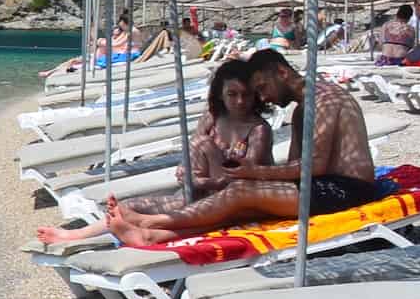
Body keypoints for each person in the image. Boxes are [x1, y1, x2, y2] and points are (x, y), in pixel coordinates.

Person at [91, 49, 382, 247]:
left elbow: (314, 166)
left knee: (240, 193)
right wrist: (252, 176)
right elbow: (293, 171)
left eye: (262, 87)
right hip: (320, 187)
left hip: (347, 188)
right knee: (243, 208)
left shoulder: (325, 99)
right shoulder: (301, 111)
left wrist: (255, 173)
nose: (262, 97)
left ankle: (150, 220)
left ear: (281, 72)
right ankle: (153, 236)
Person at [35, 59, 274, 246]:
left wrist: (199, 179)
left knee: (184, 207)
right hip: (198, 194)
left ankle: (147, 235)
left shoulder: (258, 130)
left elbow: (244, 181)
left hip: (234, 203)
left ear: (256, 95)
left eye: (246, 94)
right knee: (129, 206)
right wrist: (185, 170)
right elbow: (192, 152)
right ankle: (75, 235)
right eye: (232, 94)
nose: (240, 101)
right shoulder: (212, 117)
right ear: (220, 94)